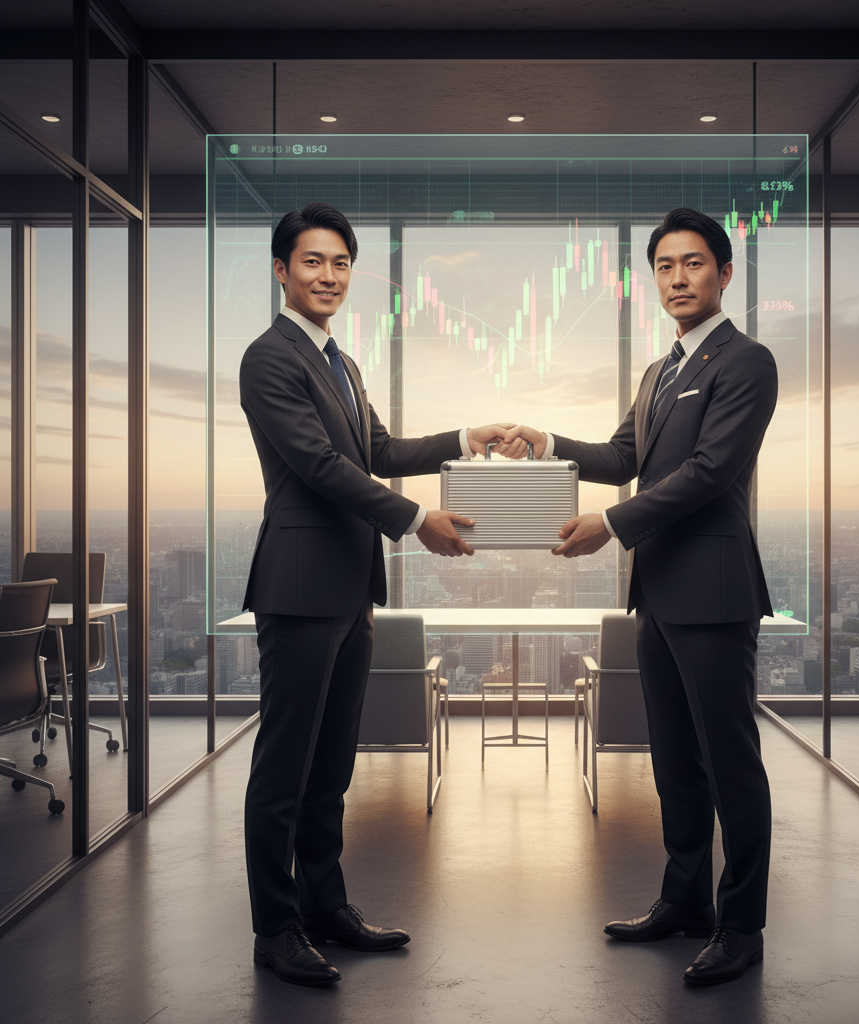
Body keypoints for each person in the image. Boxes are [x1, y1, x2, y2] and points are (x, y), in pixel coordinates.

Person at [239, 201, 514, 986]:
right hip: (298, 588)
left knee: (330, 768)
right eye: (312, 262)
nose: (328, 276)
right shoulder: (270, 359)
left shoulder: (341, 363)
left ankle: (326, 906)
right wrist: (415, 517)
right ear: (282, 270)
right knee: (284, 770)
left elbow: (378, 449)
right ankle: (276, 928)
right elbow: (322, 466)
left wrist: (468, 438)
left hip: (349, 589)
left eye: (340, 264)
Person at [504, 207, 778, 985]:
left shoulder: (746, 362)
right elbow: (627, 454)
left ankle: (742, 925)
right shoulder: (662, 372)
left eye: (693, 264)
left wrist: (612, 524)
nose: (678, 278)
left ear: (724, 274)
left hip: (715, 594)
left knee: (732, 766)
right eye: (664, 266)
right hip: (657, 594)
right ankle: (684, 900)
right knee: (676, 765)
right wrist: (547, 442)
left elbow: (710, 473)